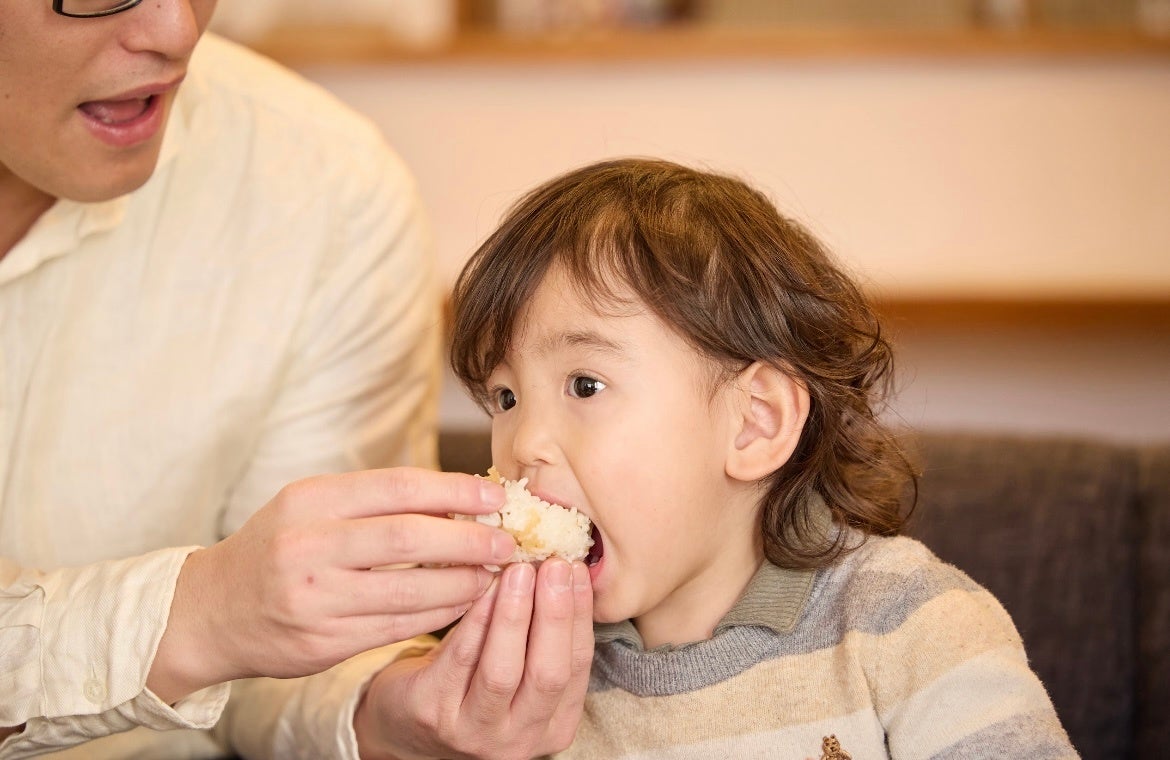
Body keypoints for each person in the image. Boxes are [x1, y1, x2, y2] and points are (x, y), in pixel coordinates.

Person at [0, 2, 590, 758]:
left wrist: (383, 714)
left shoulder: (328, 191)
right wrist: (198, 614)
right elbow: (229, 625)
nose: (178, 32)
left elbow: (279, 675)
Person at [438, 157, 1079, 757]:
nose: (523, 444)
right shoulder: (511, 669)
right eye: (505, 396)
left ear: (755, 423)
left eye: (585, 385)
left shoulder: (907, 625)